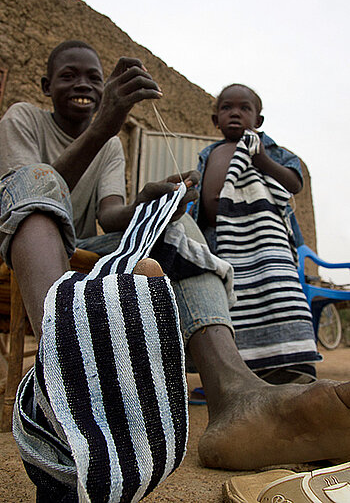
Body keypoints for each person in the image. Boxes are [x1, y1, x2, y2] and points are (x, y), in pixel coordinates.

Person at [1, 42, 350, 477]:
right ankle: (65, 377)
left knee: (174, 224)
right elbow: (30, 198)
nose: (83, 85)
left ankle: (236, 397)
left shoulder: (110, 148)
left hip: (85, 247)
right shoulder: (23, 118)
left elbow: (109, 215)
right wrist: (104, 125)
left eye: (94, 77)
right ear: (45, 84)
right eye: (70, 75)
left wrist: (148, 201)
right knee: (36, 177)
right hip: (28, 246)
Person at [191, 83, 319, 385]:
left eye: (244, 108)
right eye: (226, 108)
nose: (235, 113)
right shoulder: (209, 153)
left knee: (277, 298)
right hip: (218, 241)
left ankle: (290, 370)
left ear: (258, 121)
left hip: (264, 242)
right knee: (230, 306)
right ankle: (237, 380)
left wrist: (260, 159)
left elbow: (293, 184)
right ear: (215, 120)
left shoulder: (272, 151)